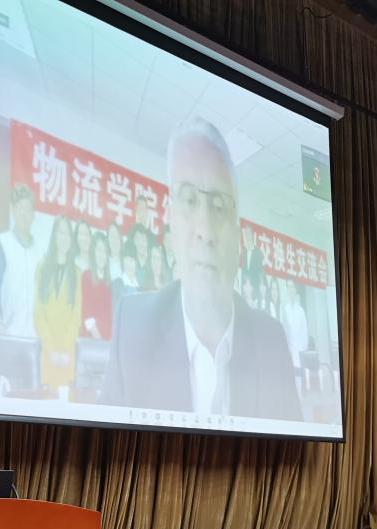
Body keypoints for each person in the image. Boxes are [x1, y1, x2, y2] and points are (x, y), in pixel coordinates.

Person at [100, 118, 302, 420]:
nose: (205, 231)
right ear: (171, 223)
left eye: (219, 206)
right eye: (189, 200)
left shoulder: (271, 341)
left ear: (237, 237)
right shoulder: (132, 328)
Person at [34, 215, 83, 392]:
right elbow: (38, 312)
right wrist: (51, 349)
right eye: (60, 233)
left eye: (68, 234)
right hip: (48, 352)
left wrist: (63, 350)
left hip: (66, 355)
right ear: (54, 235)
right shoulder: (42, 267)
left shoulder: (76, 272)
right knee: (46, 398)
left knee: (67, 398)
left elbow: (76, 315)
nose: (64, 238)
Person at [0, 183, 40, 338]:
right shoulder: (2, 242)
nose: (24, 214)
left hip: (34, 334)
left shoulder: (39, 251)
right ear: (12, 210)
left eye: (28, 209)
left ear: (33, 215)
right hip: (8, 330)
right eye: (20, 208)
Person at [81, 231, 114, 340]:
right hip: (92, 341)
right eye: (99, 250)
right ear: (93, 252)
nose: (102, 255)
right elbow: (87, 316)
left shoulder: (108, 281)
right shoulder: (86, 276)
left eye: (104, 251)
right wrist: (100, 341)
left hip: (107, 341)